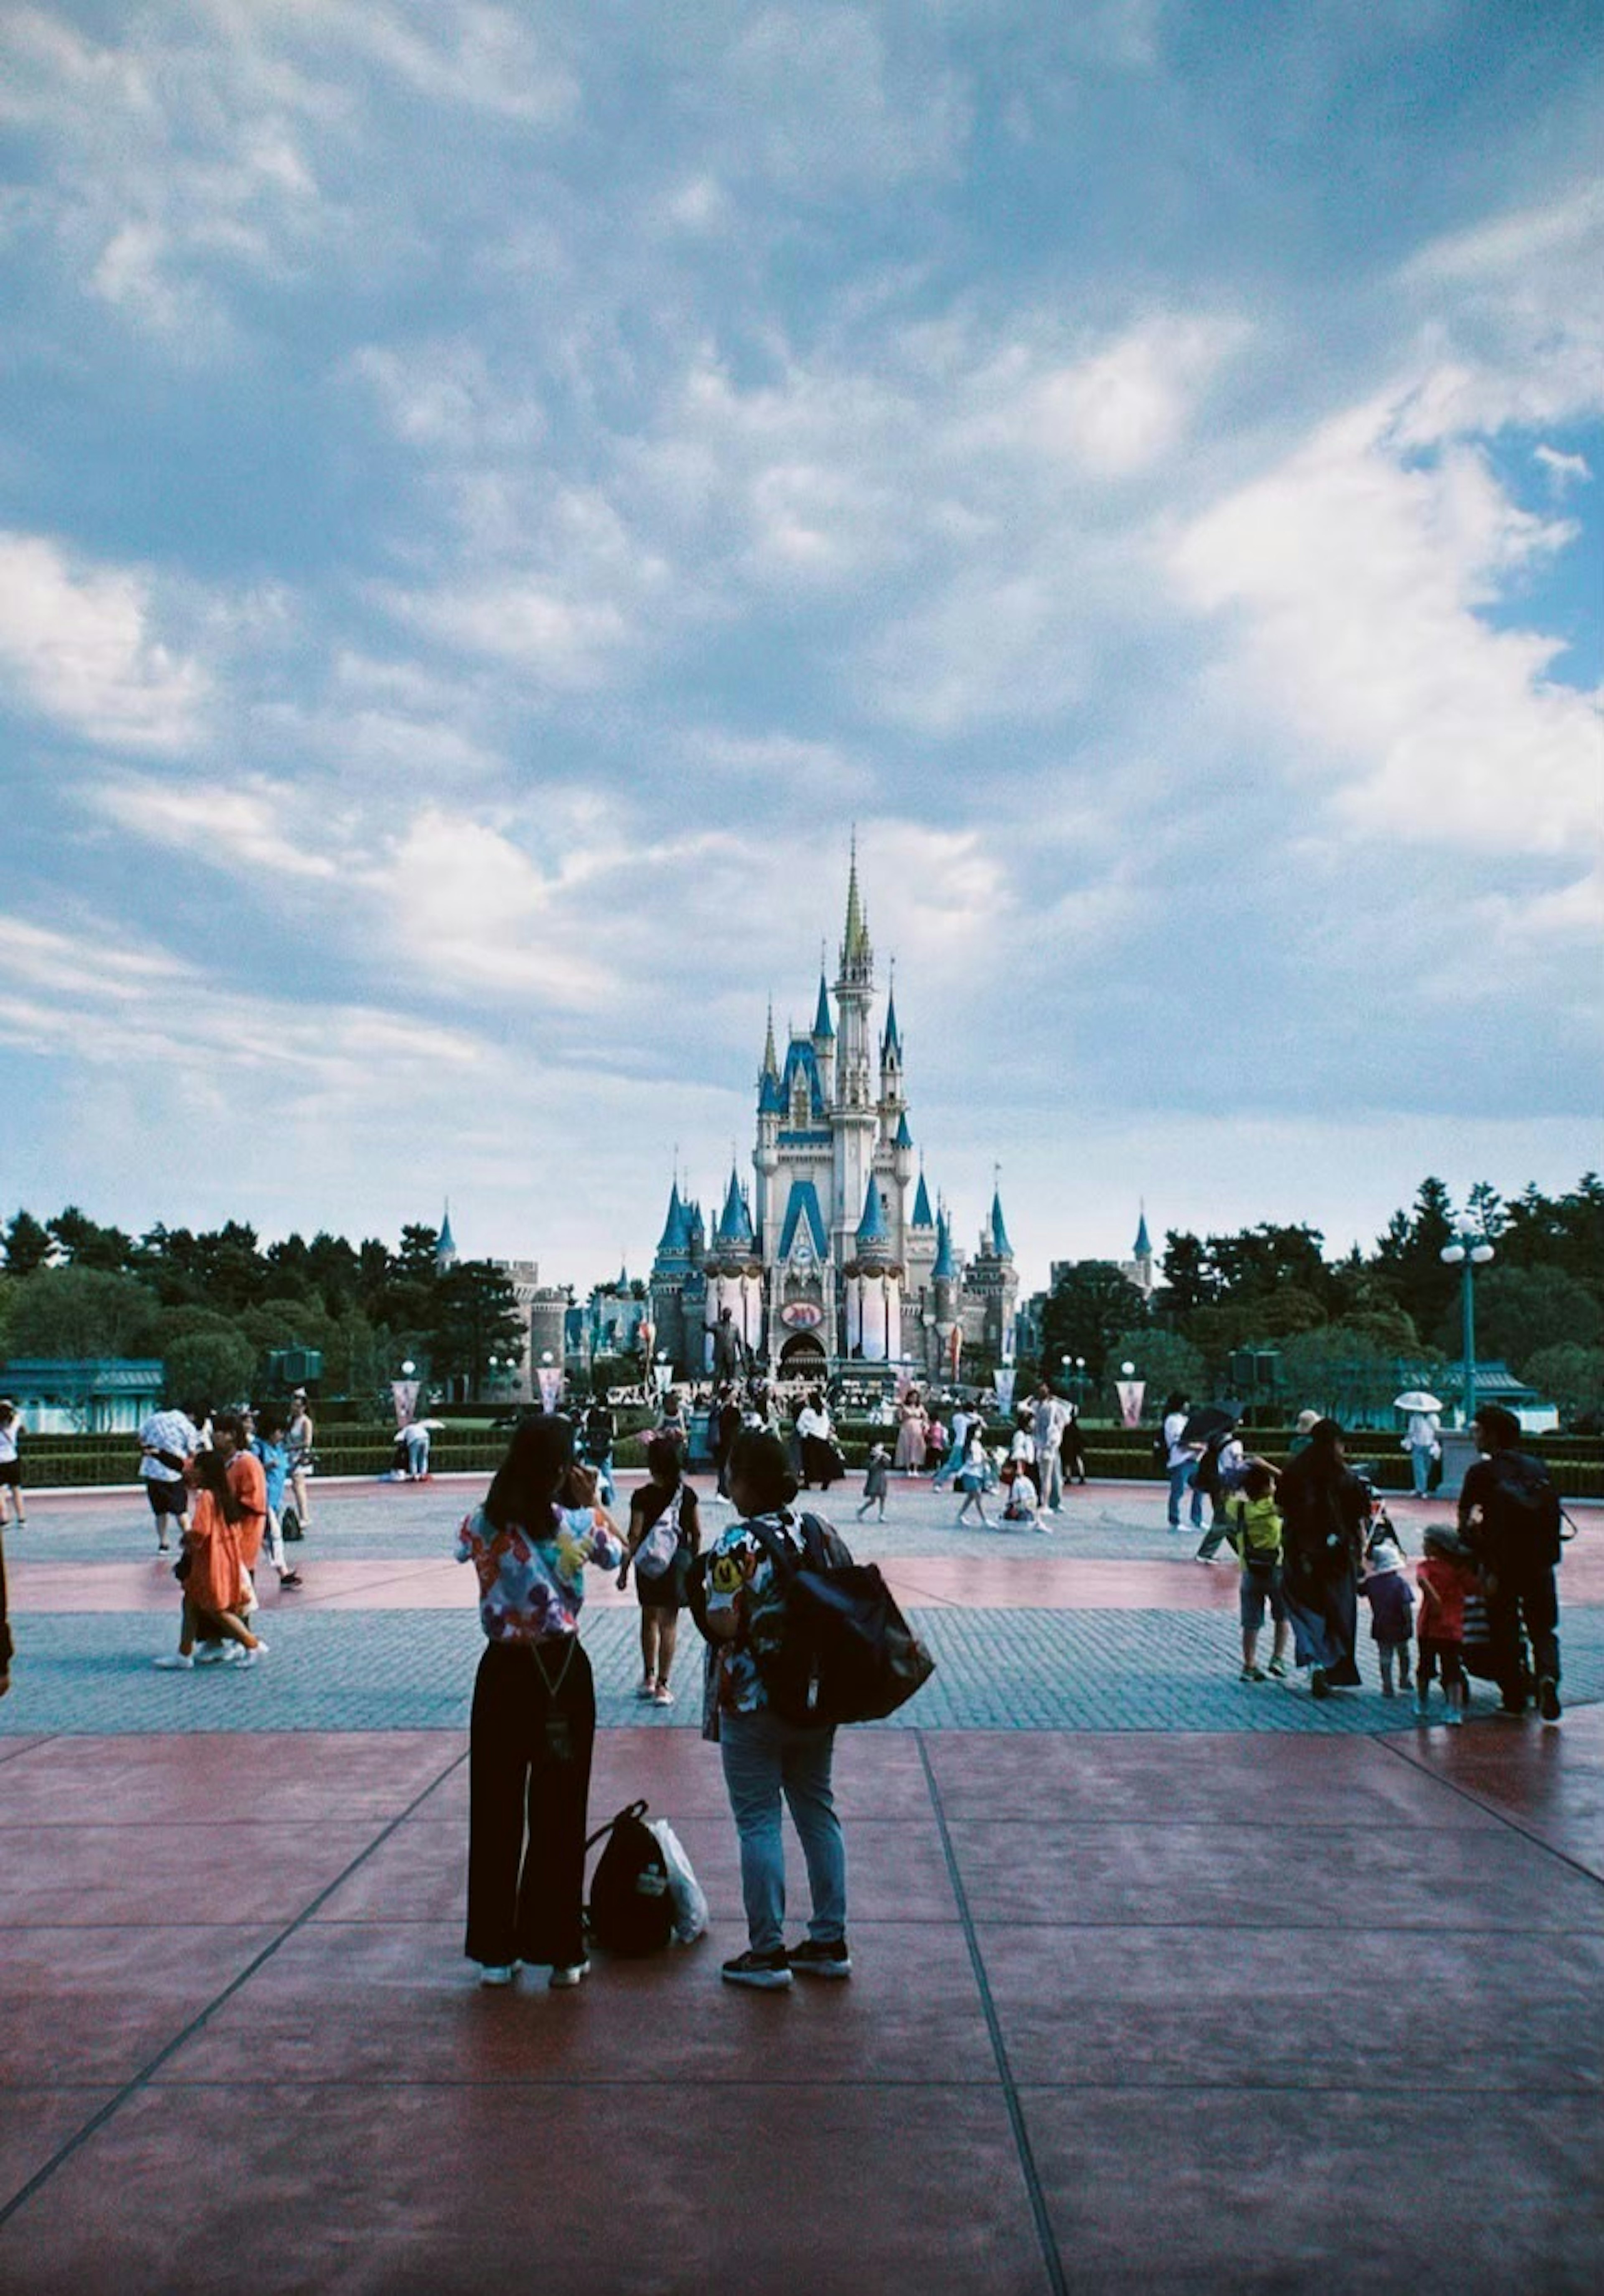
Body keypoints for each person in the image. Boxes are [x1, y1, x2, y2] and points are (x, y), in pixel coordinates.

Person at [455, 1416, 624, 1989]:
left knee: (496, 1807)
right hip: (561, 1672)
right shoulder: (576, 1524)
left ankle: (495, 1951)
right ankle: (559, 1949)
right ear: (561, 1466)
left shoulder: (483, 1521)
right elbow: (621, 1556)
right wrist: (590, 1502)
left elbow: (463, 1546)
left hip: (501, 1671)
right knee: (559, 1810)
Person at [700, 1429, 850, 1989]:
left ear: (742, 1479)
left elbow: (722, 1621)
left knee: (759, 1819)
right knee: (818, 1809)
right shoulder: (819, 1529)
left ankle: (768, 1950)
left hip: (753, 1698)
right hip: (817, 1696)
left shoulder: (736, 1543)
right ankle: (830, 1939)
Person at [1458, 1404, 1564, 1722]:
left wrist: (1476, 1551)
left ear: (1492, 1434)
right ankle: (1547, 1675)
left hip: (1500, 1564)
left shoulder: (1481, 1473)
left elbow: (1466, 1522)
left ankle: (1514, 1697)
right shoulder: (1537, 1467)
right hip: (1540, 1563)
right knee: (1543, 1628)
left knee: (1504, 1630)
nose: (1475, 1436)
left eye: (1478, 1430)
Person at [1277, 1419, 1367, 1697]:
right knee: (1337, 1609)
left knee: (1304, 1608)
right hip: (1338, 1555)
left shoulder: (1295, 1470)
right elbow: (1360, 1520)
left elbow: (1281, 1509)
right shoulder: (1347, 1477)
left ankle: (1313, 1659)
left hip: (1299, 1552)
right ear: (1336, 1443)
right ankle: (1334, 1664)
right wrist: (1360, 1554)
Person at [154, 1452, 266, 1670]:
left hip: (210, 1560)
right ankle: (184, 1652)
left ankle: (251, 1644)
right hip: (223, 1555)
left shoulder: (206, 1496)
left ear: (204, 1472)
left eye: (196, 1467)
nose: (191, 1471)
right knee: (191, 1603)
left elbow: (201, 1531)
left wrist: (187, 1539)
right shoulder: (223, 1494)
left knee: (216, 1608)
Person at [619, 1435, 701, 1707]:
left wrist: (624, 1568)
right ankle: (664, 1686)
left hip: (649, 1562)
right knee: (670, 1623)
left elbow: (634, 1534)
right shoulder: (687, 1495)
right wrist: (694, 1561)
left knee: (649, 1617)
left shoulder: (642, 1496)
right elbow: (697, 1532)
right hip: (677, 1560)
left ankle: (648, 1677)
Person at [1224, 1459, 1289, 1683]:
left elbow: (1225, 1493)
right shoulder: (1272, 1507)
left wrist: (1238, 1478)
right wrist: (1268, 1466)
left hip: (1250, 1572)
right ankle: (1277, 1658)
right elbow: (1292, 1485)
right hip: (1276, 1569)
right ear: (1265, 1488)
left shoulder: (1238, 1508)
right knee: (1282, 1617)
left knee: (1250, 1623)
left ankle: (1249, 1664)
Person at [1414, 1528, 1474, 1724]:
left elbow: (1422, 1579)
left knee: (1425, 1668)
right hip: (1452, 1628)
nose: (1423, 1546)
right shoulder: (1459, 1570)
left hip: (1429, 1627)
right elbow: (1476, 1587)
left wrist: (1433, 1597)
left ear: (1437, 1547)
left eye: (1427, 1542)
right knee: (1452, 1670)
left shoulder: (1428, 1566)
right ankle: (1454, 1708)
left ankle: (1422, 1702)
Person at [137, 1400, 198, 1556]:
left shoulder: (154, 1419)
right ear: (191, 1415)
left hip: (152, 1470)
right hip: (174, 1473)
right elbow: (192, 1452)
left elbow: (140, 1437)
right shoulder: (187, 1426)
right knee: (181, 1511)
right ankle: (191, 1541)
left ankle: (163, 1543)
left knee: (160, 1511)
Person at [1360, 1528, 1415, 1698]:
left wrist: (1362, 1566)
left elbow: (1360, 1589)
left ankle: (1387, 1685)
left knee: (1385, 1656)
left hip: (1380, 1624)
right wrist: (1409, 1623)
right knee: (1403, 1653)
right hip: (1399, 1624)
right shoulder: (1400, 1584)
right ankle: (1404, 1679)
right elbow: (1406, 1606)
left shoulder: (1372, 1583)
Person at [251, 1411, 303, 1589]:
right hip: (261, 1499)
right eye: (279, 1432)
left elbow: (285, 1469)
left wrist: (299, 1462)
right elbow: (251, 1469)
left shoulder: (278, 1449)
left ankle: (282, 1573)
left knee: (265, 1539)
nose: (281, 1436)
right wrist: (266, 1466)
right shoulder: (258, 1448)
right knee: (274, 1536)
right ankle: (284, 1573)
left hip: (275, 1499)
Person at [1193, 1421, 1247, 1562]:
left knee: (1230, 1523)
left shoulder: (1215, 1441)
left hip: (1216, 1484)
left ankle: (1243, 1552)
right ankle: (1205, 1553)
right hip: (1228, 1485)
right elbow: (1237, 1466)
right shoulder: (1235, 1444)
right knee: (1223, 1520)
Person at [1162, 1394, 1203, 1533]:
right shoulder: (1173, 1421)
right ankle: (1175, 1520)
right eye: (1185, 1403)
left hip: (1193, 1459)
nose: (1188, 1406)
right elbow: (1180, 1442)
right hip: (1180, 1460)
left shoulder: (1186, 1420)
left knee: (1200, 1489)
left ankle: (1197, 1518)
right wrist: (1195, 1447)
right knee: (1178, 1491)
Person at [1030, 1384, 1068, 1513]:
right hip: (1050, 1445)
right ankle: (1053, 1502)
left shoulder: (1035, 1406)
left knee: (1040, 1475)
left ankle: (1041, 1500)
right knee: (1053, 1475)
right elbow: (1065, 1420)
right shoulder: (1054, 1406)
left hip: (1036, 1443)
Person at [795, 1389, 841, 1491]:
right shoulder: (823, 1412)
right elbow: (827, 1425)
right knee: (823, 1463)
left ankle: (808, 1483)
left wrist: (805, 1433)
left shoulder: (807, 1412)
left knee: (809, 1463)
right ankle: (825, 1481)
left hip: (810, 1439)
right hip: (822, 1439)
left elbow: (800, 1425)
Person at [285, 1389, 316, 1534]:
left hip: (301, 1456)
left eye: (298, 1406)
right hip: (290, 1456)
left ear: (304, 1407)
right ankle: (303, 1514)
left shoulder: (306, 1422)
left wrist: (291, 1447)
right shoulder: (290, 1420)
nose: (295, 1408)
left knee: (299, 1485)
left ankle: (305, 1516)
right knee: (296, 1486)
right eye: (293, 1405)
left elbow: (307, 1442)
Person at [954, 1420, 993, 1527]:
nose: (980, 1433)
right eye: (978, 1430)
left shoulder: (978, 1444)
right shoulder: (970, 1445)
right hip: (970, 1473)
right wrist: (981, 1461)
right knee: (978, 1495)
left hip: (977, 1473)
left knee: (971, 1497)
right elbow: (970, 1460)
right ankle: (984, 1519)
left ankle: (960, 1516)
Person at [1403, 1407, 1442, 1499]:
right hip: (1418, 1444)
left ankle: (1421, 1489)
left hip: (1430, 1445)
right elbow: (1411, 1431)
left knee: (1427, 1469)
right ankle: (1421, 1490)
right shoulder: (1415, 1418)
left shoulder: (1434, 1418)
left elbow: (1437, 1431)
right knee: (1419, 1468)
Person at [0, 1401, 26, 1527]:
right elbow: (17, 1414)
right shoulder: (13, 1425)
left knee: (1, 1492)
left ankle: (4, 1518)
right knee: (16, 1490)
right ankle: (21, 1518)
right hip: (12, 1460)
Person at [893, 1389, 929, 1474]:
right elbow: (900, 1418)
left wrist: (924, 1425)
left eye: (916, 1398)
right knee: (906, 1447)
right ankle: (908, 1468)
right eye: (912, 1397)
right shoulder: (904, 1407)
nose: (914, 1399)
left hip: (917, 1429)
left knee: (917, 1448)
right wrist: (900, 1411)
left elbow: (925, 1417)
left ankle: (915, 1468)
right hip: (907, 1428)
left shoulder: (920, 1407)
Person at [857, 1441, 890, 1521]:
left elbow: (887, 1465)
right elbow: (870, 1467)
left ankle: (881, 1515)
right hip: (874, 1480)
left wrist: (885, 1458)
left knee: (883, 1498)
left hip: (882, 1479)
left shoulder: (883, 1458)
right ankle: (861, 1510)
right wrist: (877, 1459)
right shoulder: (871, 1458)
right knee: (873, 1500)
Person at [1061, 1399, 1088, 1488]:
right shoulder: (1075, 1425)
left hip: (1069, 1439)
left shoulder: (1067, 1424)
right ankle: (1081, 1476)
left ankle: (1069, 1477)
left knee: (1068, 1460)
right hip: (1075, 1440)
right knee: (1077, 1459)